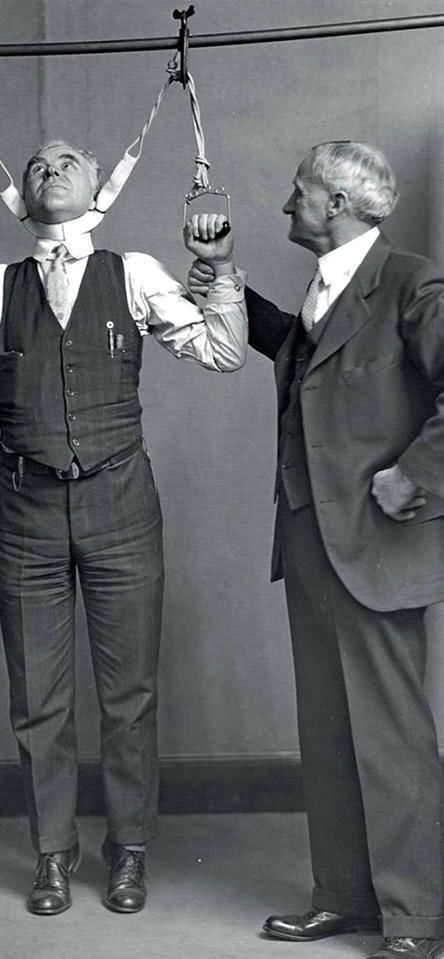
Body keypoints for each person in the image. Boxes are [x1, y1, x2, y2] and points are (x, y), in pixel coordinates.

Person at [0, 139, 247, 915]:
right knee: (37, 695)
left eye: (67, 162)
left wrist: (220, 270)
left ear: (99, 185)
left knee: (130, 692)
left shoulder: (136, 274)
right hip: (26, 510)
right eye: (37, 165)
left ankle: (129, 849)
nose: (50, 170)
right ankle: (52, 852)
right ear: (19, 196)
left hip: (121, 503)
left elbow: (225, 352)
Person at [188, 140, 444, 959]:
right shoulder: (328, 286)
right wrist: (223, 280)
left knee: (392, 736)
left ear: (337, 202)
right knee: (330, 730)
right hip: (308, 540)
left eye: (298, 191)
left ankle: (417, 917)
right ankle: (344, 896)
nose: (285, 204)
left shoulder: (410, 282)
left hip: (376, 545)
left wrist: (417, 474)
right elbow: (307, 357)